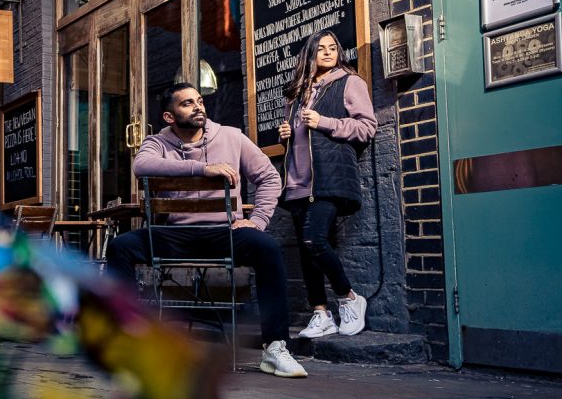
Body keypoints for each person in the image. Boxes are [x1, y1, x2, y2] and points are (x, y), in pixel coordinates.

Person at [105, 83, 307, 378]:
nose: (198, 106)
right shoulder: (157, 142)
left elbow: (269, 177)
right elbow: (142, 165)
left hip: (225, 233)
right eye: (187, 103)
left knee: (267, 248)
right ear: (169, 116)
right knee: (120, 247)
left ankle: (275, 348)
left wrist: (259, 219)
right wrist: (203, 169)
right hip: (177, 236)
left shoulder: (230, 136)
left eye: (199, 101)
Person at [277, 30, 377, 339]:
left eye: (333, 47)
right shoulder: (296, 93)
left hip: (329, 179)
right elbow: (301, 141)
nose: (329, 52)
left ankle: (349, 298)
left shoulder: (350, 83)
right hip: (297, 183)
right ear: (309, 54)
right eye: (321, 48)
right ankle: (320, 314)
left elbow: (367, 127)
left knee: (314, 240)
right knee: (307, 252)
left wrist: (325, 122)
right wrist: (286, 136)